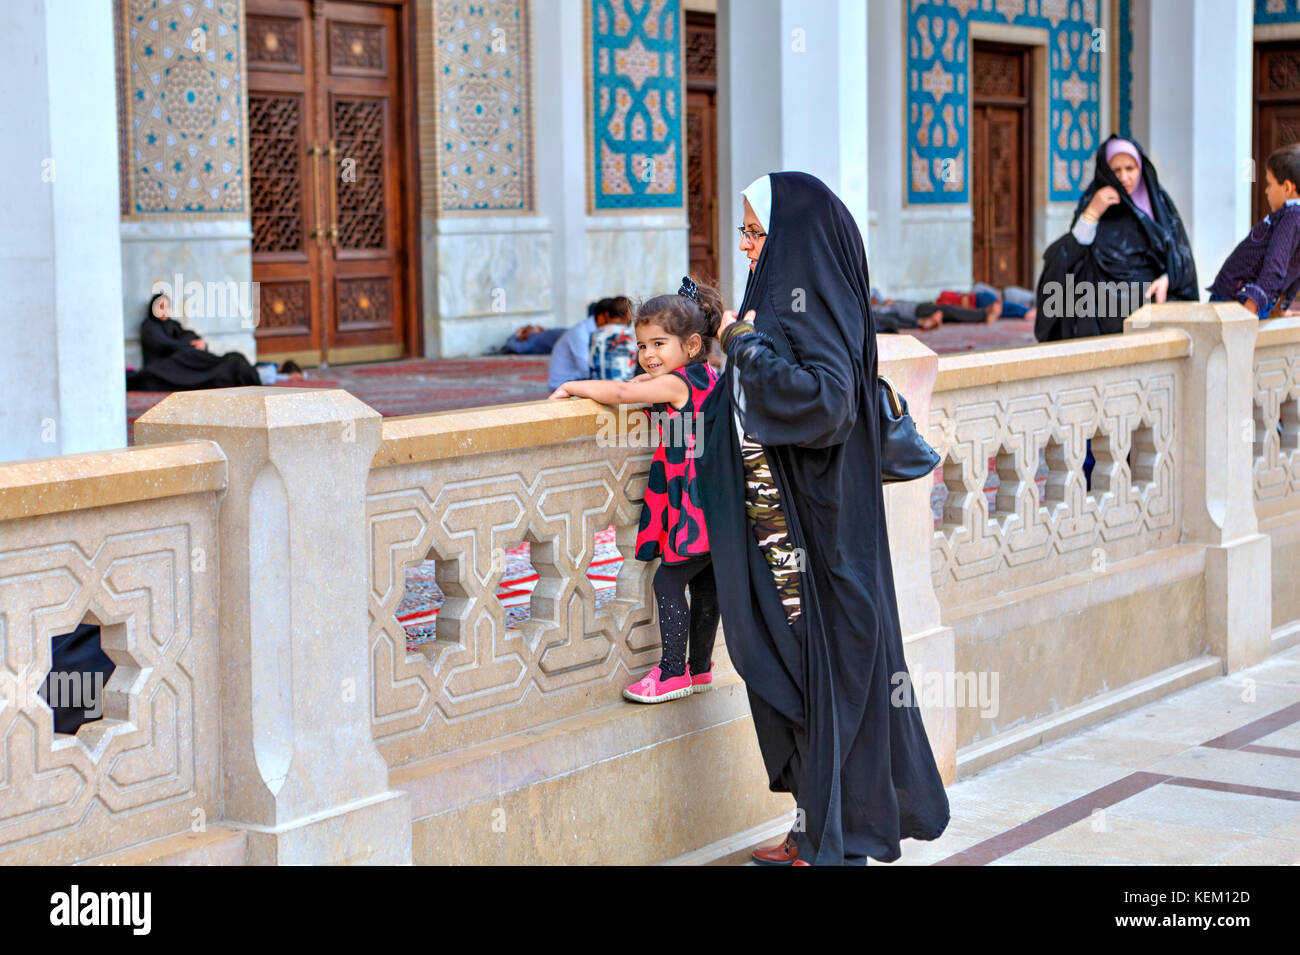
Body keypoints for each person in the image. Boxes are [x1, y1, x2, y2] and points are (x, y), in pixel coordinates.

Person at [697, 171, 951, 866]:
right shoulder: (780, 297)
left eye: (756, 233)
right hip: (782, 530)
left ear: (791, 238)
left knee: (815, 679)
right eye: (745, 233)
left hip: (814, 539)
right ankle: (817, 832)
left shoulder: (807, 307)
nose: (748, 248)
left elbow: (827, 400)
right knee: (794, 676)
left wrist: (741, 343)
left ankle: (828, 839)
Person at [549, 278, 723, 703]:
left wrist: (574, 386)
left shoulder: (676, 383)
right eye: (642, 345)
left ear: (693, 344)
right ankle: (699, 669)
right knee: (705, 585)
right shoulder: (706, 375)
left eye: (659, 344)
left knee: (667, 583)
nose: (648, 355)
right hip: (713, 496)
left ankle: (671, 673)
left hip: (691, 501)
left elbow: (625, 392)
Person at [1035, 135, 1198, 343]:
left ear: (1140, 167)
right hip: (1100, 312)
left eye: (1130, 168)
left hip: (1148, 305)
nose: (1124, 177)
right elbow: (1072, 254)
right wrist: (1092, 213)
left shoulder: (1158, 203)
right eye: (1116, 170)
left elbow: (1179, 255)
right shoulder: (1094, 200)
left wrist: (1166, 279)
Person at [1208, 143, 1300, 319]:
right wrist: (1281, 306)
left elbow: (1275, 264)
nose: (1266, 191)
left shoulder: (1291, 216)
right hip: (1250, 303)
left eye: (1269, 184)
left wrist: (1250, 308)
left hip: (1238, 302)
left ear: (1288, 188)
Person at [127, 293, 261, 390]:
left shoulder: (172, 324)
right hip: (164, 366)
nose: (164, 310)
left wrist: (200, 343)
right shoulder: (149, 326)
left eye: (167, 306)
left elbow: (188, 336)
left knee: (235, 359)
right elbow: (166, 344)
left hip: (183, 359)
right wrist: (189, 346)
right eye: (160, 306)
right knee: (222, 364)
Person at [546, 296, 632, 390]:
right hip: (563, 384)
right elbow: (586, 370)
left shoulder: (598, 332)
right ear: (605, 316)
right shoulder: (580, 333)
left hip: (579, 379)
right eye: (613, 317)